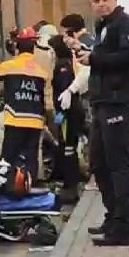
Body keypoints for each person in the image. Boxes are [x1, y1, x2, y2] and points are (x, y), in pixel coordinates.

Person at [65, 0, 129, 247]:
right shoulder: (103, 28)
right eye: (96, 1)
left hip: (119, 102)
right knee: (98, 163)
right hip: (101, 102)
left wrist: (94, 59)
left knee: (120, 165)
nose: (101, 4)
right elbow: (106, 58)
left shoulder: (125, 24)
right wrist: (88, 54)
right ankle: (113, 217)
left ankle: (124, 228)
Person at [0, 27, 50, 179]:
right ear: (33, 48)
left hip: (16, 119)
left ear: (18, 47)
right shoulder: (41, 71)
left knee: (9, 158)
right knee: (31, 158)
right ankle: (29, 186)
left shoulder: (11, 66)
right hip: (35, 121)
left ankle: (7, 186)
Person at [47, 34, 85, 204]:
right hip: (70, 113)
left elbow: (63, 92)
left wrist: (60, 115)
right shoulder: (67, 62)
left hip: (68, 114)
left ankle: (70, 187)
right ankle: (71, 183)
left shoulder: (62, 66)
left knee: (67, 148)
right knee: (68, 148)